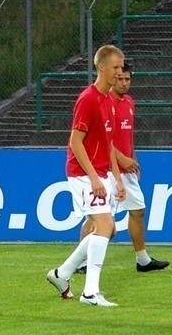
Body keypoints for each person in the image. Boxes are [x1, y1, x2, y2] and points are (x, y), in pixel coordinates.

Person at [46, 44, 126, 307]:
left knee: (109, 229)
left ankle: (63, 273)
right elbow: (75, 142)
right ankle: (90, 292)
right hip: (83, 173)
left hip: (101, 172)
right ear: (101, 67)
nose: (119, 72)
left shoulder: (109, 101)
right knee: (103, 225)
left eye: (121, 67)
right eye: (115, 67)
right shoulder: (88, 99)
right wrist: (93, 177)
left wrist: (116, 178)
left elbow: (109, 144)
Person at [110, 63, 170, 272]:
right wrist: (121, 159)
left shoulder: (128, 102)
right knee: (101, 217)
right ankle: (81, 262)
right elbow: (102, 139)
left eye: (127, 79)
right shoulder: (105, 102)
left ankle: (142, 260)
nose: (124, 83)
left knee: (138, 210)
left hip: (127, 169)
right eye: (120, 79)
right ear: (112, 77)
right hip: (107, 168)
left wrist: (132, 158)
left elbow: (128, 136)